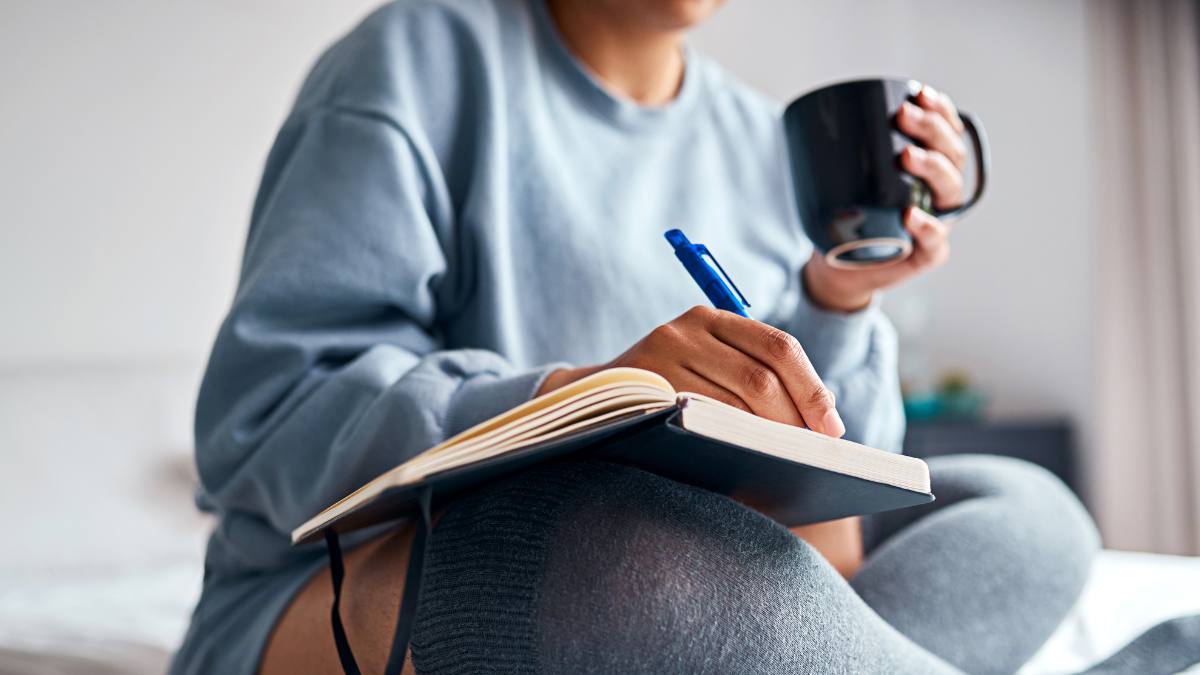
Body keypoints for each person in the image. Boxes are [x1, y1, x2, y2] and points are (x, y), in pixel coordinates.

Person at [169, 1, 1112, 673]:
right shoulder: (412, 62)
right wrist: (574, 399)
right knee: (633, 559)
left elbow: (837, 525)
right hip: (375, 574)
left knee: (1029, 513)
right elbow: (267, 415)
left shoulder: (762, 138)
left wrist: (836, 300)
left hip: (696, 561)